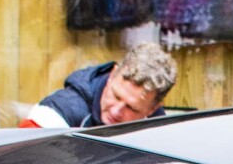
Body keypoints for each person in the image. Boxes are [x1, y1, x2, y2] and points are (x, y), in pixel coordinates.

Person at [29, 42, 177, 129]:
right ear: (111, 76)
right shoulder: (56, 113)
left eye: (131, 108)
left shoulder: (157, 127)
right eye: (116, 95)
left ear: (152, 109)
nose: (116, 111)